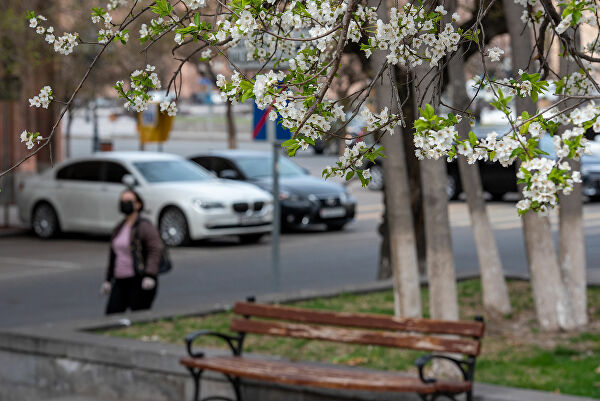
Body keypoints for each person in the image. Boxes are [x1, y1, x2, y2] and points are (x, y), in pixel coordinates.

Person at [100, 189, 162, 314]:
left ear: (138, 204)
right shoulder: (119, 227)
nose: (124, 204)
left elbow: (155, 250)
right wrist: (108, 280)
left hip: (138, 280)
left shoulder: (145, 227)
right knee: (112, 314)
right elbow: (114, 255)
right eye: (122, 201)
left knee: (138, 315)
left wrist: (150, 275)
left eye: (128, 201)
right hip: (120, 280)